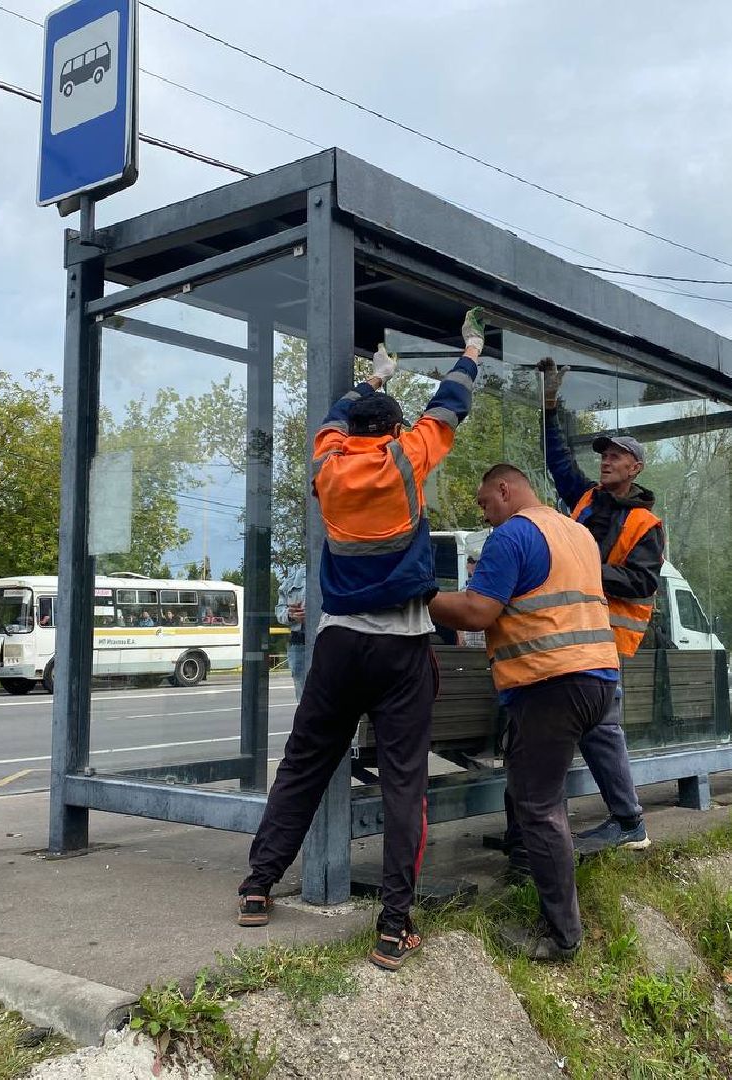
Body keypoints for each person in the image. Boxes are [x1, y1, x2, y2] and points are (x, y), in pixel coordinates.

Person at [237, 309, 487, 972]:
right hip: (401, 645)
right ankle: (394, 927)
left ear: (350, 433)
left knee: (304, 765)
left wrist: (372, 380)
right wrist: (470, 349)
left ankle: (258, 885)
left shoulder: (327, 463)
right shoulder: (409, 457)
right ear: (396, 431)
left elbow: (333, 416)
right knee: (405, 783)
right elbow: (450, 403)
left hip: (338, 644)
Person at [429, 464, 619, 961]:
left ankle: (561, 936)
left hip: (550, 682)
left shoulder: (512, 536)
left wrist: (420, 598)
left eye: (484, 502)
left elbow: (477, 612)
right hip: (597, 679)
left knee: (539, 806)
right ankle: (526, 870)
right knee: (531, 789)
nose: (483, 513)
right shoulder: (576, 533)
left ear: (504, 489)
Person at [539, 360, 663, 854]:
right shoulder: (586, 498)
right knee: (585, 726)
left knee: (599, 727)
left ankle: (628, 820)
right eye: (605, 455)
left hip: (605, 641)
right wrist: (550, 406)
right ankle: (610, 820)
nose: (606, 461)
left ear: (635, 468)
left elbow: (642, 582)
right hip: (568, 633)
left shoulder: (645, 524)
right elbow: (557, 461)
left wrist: (586, 569)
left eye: (616, 456)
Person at [276, 564, 308, 700]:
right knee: (304, 696)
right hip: (299, 643)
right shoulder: (295, 575)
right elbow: (279, 611)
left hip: (327, 641)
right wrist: (290, 615)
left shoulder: (333, 569)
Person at [456, 553, 486, 649]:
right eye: (471, 561)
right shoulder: (462, 592)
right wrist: (461, 638)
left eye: (478, 561)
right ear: (467, 566)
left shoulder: (491, 591)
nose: (474, 565)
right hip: (468, 641)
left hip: (486, 642)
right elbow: (458, 618)